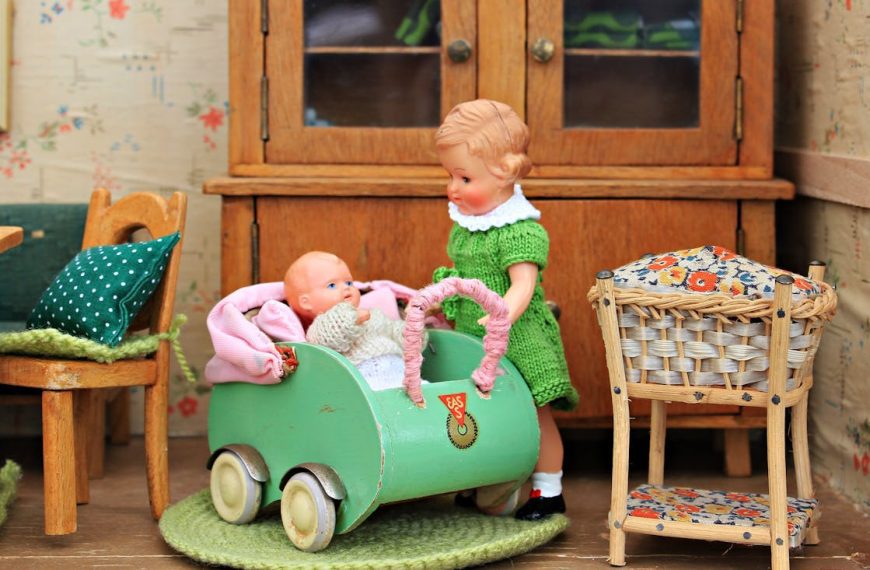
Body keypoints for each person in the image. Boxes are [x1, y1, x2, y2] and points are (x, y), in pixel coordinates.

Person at [433, 99, 578, 520]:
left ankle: (548, 488)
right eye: (450, 176)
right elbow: (462, 274)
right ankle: (487, 478)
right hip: (473, 337)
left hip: (519, 340)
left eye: (464, 177)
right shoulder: (466, 226)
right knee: (481, 410)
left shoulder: (521, 231)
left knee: (534, 412)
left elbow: (523, 285)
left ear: (504, 175)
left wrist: (502, 313)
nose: (453, 188)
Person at [284, 251, 423, 391]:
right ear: (306, 302)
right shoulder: (319, 326)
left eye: (349, 282)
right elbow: (330, 336)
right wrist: (351, 318)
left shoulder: (375, 314)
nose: (346, 287)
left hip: (402, 371)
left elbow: (405, 341)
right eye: (332, 285)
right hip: (365, 380)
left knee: (432, 397)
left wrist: (414, 321)